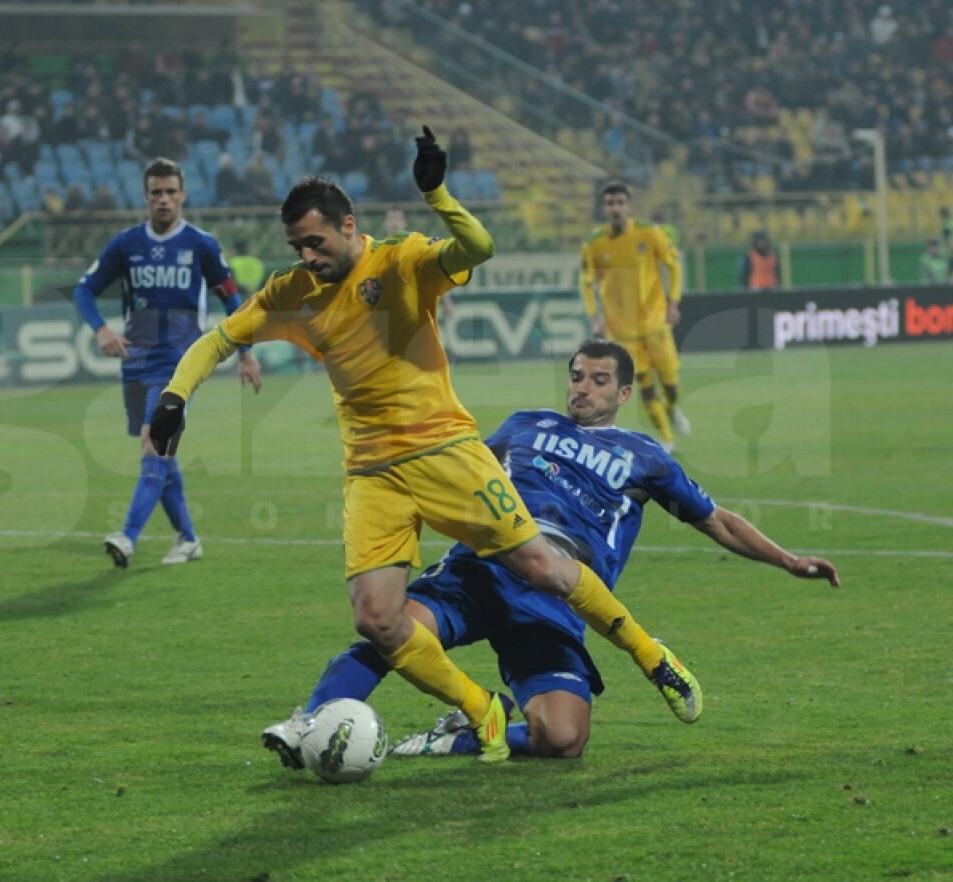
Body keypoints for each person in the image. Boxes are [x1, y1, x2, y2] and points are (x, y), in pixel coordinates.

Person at [146, 127, 701, 764]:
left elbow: (478, 245)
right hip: (372, 475)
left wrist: (436, 191)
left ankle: (654, 658)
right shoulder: (292, 294)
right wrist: (174, 395)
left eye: (316, 242)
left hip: (445, 453)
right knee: (377, 619)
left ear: (349, 225)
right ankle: (480, 709)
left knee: (543, 567)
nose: (306, 256)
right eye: (297, 245)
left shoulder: (403, 261)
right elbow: (218, 338)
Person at [263, 340, 840, 765]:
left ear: (622, 393)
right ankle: (308, 722)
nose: (581, 388)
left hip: (559, 599)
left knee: (564, 740)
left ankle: (458, 735)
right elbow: (454, 474)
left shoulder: (646, 456)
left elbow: (717, 521)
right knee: (391, 629)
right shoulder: (523, 426)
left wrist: (787, 560)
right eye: (575, 377)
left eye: (596, 380)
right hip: (481, 568)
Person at [72, 157, 262, 569]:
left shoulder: (201, 245)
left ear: (183, 195)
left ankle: (127, 537)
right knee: (162, 452)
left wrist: (246, 352)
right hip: (136, 363)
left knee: (154, 445)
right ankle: (188, 538)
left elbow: (232, 299)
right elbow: (84, 290)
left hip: (181, 364)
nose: (163, 200)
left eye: (170, 192)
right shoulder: (126, 245)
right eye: (156, 193)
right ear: (145, 196)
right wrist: (100, 330)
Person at [580, 180, 689, 453]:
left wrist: (673, 302)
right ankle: (666, 438)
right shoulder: (594, 243)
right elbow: (586, 282)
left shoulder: (650, 233)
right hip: (621, 329)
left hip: (655, 322)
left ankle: (673, 408)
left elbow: (673, 265)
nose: (615, 208)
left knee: (671, 383)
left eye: (620, 203)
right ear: (604, 209)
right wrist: (595, 317)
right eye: (610, 204)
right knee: (645, 384)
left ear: (629, 207)